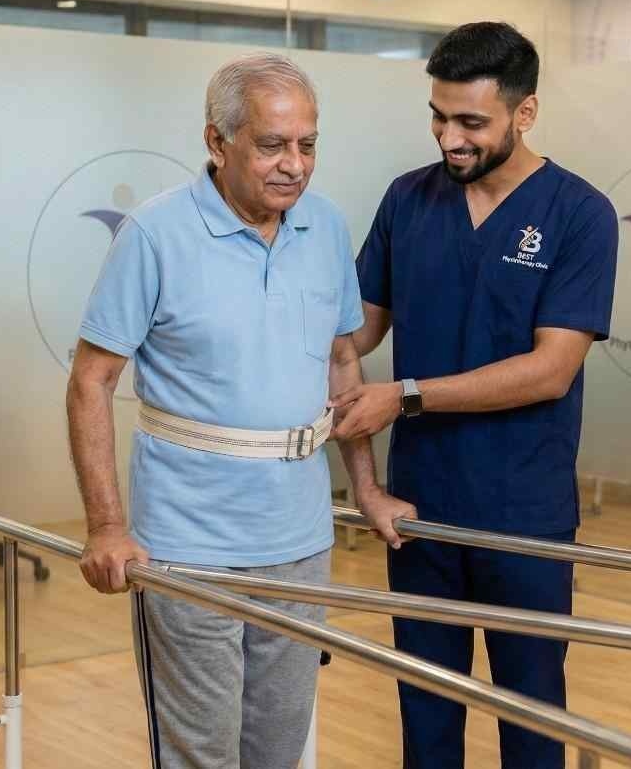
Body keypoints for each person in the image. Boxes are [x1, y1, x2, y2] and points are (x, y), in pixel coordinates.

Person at [66, 51, 411, 769]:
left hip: (300, 538)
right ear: (217, 143)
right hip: (190, 545)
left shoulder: (325, 228)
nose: (294, 165)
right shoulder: (155, 234)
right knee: (204, 757)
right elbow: (91, 381)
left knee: (277, 753)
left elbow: (341, 361)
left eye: (307, 145)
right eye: (271, 144)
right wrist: (106, 525)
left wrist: (368, 488)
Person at [333, 22, 619, 768]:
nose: (448, 138)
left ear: (524, 114)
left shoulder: (579, 214)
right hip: (420, 512)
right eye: (438, 116)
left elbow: (550, 368)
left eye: (470, 122)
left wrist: (404, 396)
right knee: (425, 723)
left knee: (530, 724)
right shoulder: (408, 201)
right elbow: (352, 334)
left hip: (522, 515)